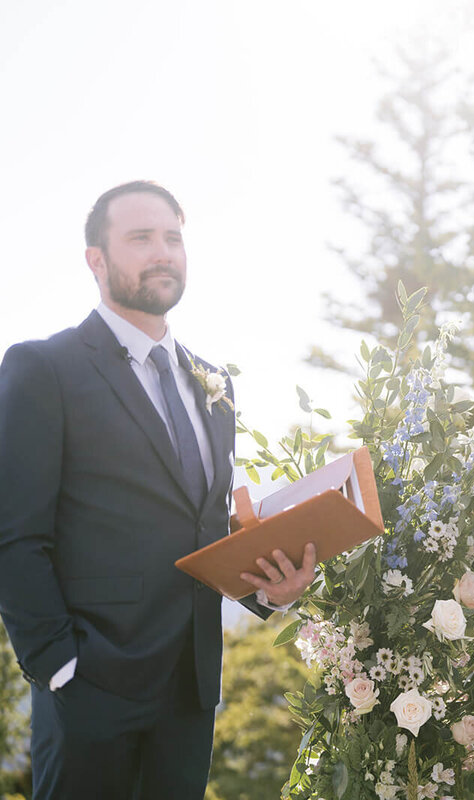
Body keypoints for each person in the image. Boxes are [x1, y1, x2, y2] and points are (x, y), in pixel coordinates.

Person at [0, 181, 317, 799]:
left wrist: (268, 593)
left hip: (190, 695)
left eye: (173, 237)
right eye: (141, 238)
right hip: (88, 692)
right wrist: (59, 668)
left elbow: (203, 530)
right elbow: (13, 535)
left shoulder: (214, 383)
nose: (163, 252)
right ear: (97, 259)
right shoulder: (44, 369)